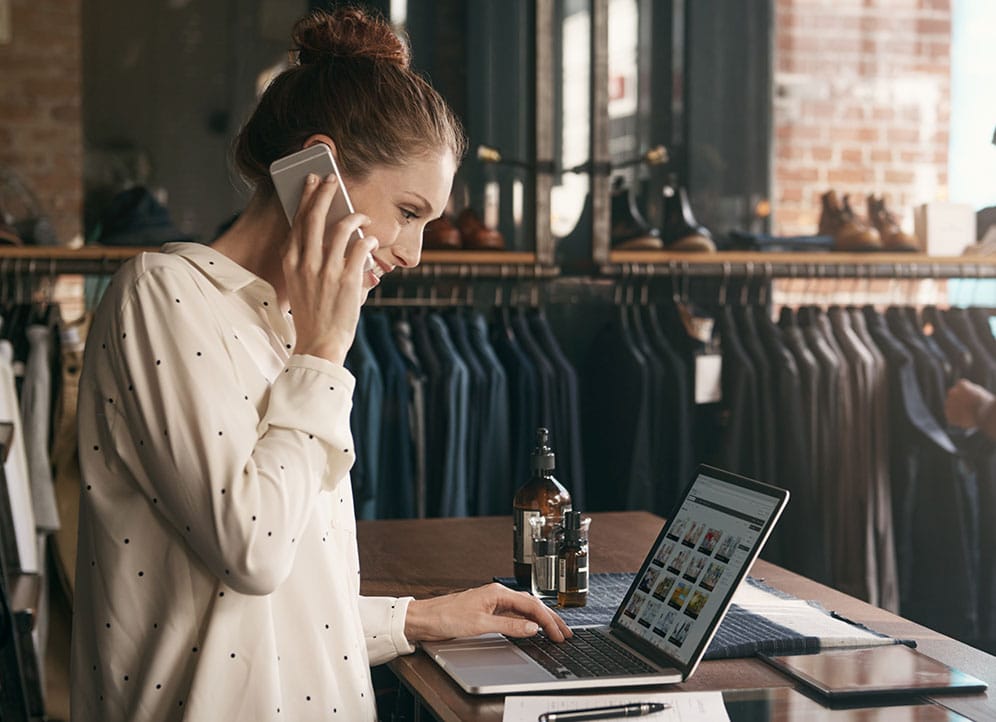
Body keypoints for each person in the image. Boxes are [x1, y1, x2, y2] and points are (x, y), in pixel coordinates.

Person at [70, 8, 569, 721]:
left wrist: (421, 619)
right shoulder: (163, 294)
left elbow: (280, 611)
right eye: (407, 211)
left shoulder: (288, 328)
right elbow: (253, 549)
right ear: (319, 172)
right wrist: (325, 351)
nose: (413, 253)